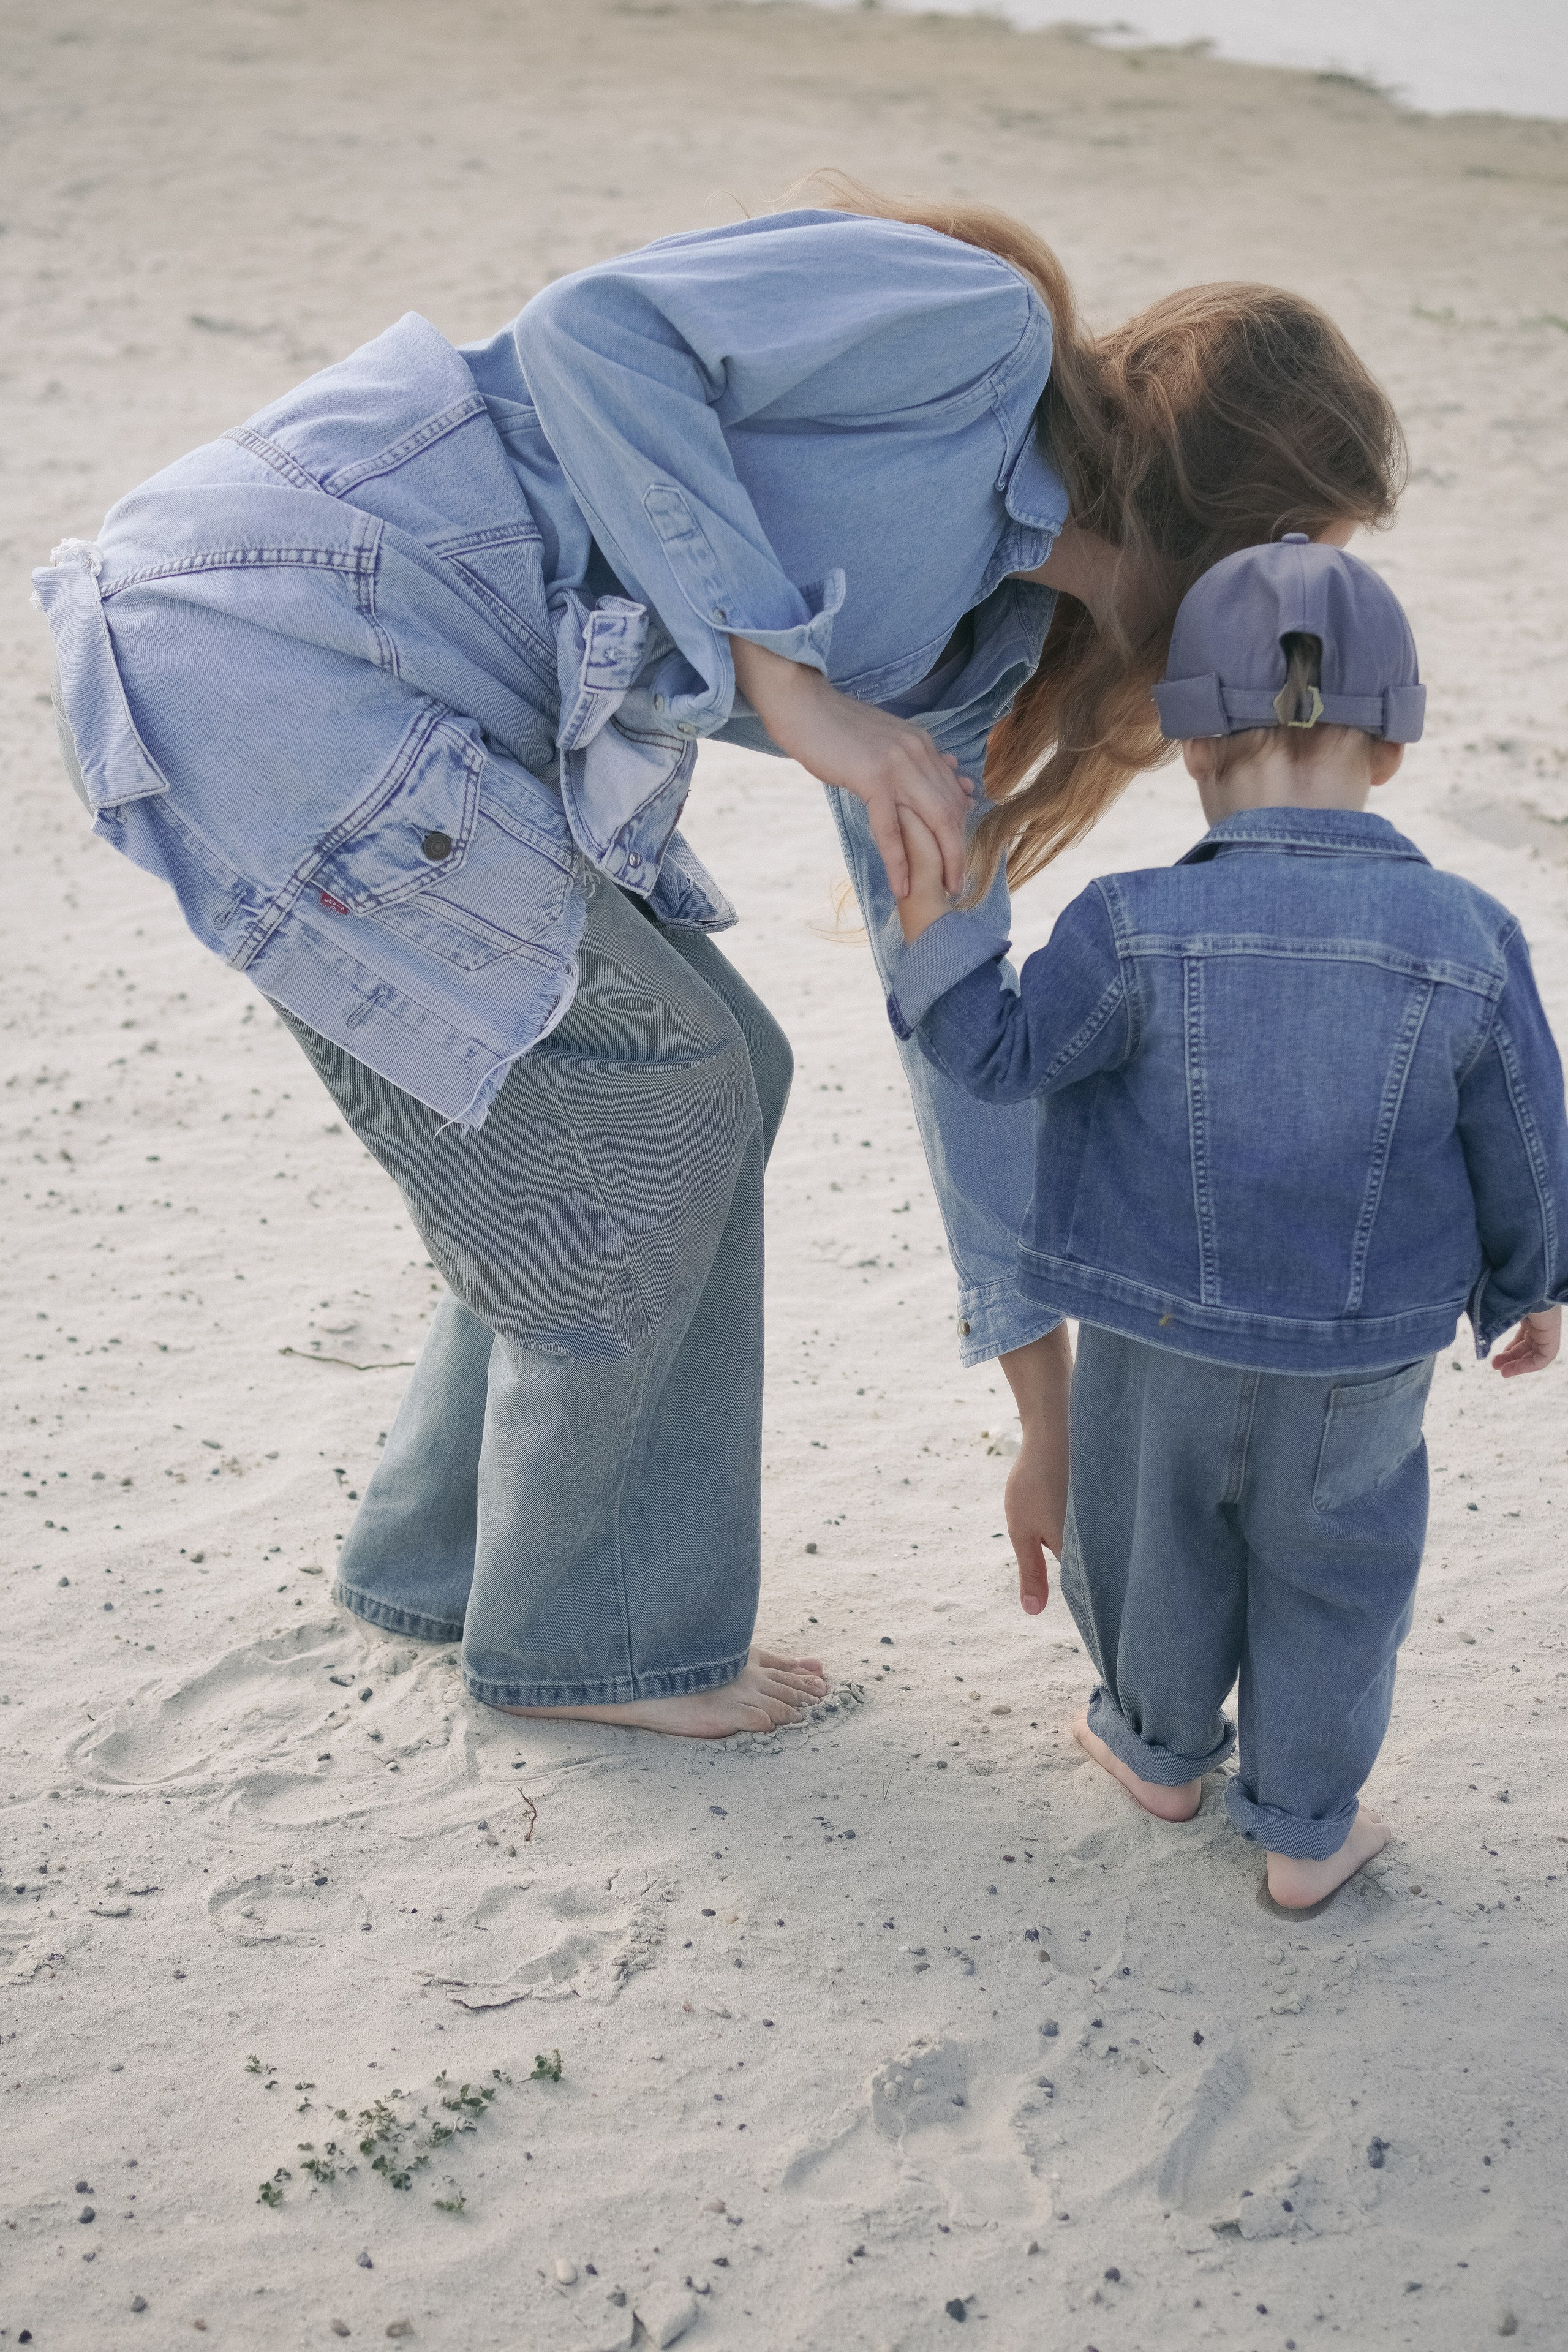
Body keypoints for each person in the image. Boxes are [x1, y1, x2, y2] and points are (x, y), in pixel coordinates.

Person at [35, 182, 1407, 1740]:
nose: (1304, 624)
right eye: (1315, 568)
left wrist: (1047, 1412)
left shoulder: (973, 662)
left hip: (381, 689)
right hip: (286, 619)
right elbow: (594, 333)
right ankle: (596, 1636)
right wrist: (785, 677)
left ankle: (450, 1558)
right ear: (1256, 527)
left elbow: (949, 1026)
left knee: (707, 1069)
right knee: (665, 1093)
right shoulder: (974, 333)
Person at [888, 535, 1568, 1903]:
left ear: (1188, 744)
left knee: (1153, 1545)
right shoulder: (1467, 932)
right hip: (1358, 1353)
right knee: (1338, 1576)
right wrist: (1525, 1289)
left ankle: (1155, 1751)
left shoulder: (1126, 920)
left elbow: (1002, 1059)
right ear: (1388, 747)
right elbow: (1525, 1136)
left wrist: (939, 933)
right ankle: (1307, 1836)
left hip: (1155, 1332)